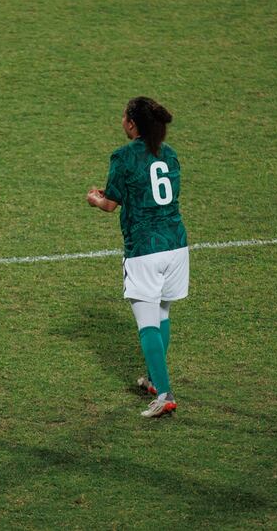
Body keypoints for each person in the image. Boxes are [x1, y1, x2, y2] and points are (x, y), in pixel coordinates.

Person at [86, 97, 189, 418]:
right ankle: (157, 381)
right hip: (176, 243)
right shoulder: (170, 155)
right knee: (162, 313)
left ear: (132, 124)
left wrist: (95, 199)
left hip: (144, 248)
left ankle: (165, 394)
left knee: (147, 322)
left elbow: (111, 203)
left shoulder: (124, 156)